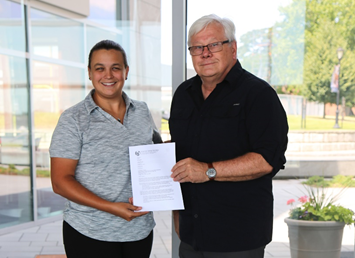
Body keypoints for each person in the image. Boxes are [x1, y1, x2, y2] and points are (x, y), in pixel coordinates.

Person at [169, 14, 288, 257]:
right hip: (192, 235)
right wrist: (175, 211)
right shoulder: (183, 94)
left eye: (213, 45)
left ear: (232, 48)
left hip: (238, 237)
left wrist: (207, 171)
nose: (205, 53)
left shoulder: (259, 95)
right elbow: (177, 154)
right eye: (197, 48)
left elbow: (267, 159)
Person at [49, 39, 162, 258]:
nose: (108, 75)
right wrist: (111, 207)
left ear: (126, 72)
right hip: (89, 231)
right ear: (90, 73)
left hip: (139, 230)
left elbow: (152, 156)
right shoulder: (73, 119)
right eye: (100, 68)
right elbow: (60, 181)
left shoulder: (142, 111)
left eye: (115, 68)